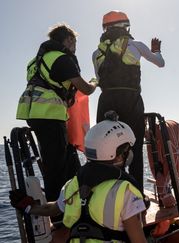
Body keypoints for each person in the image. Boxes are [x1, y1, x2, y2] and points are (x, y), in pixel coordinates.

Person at [9, 112, 148, 243]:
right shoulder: (125, 191)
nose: (129, 154)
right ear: (117, 154)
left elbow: (52, 209)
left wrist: (28, 207)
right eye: (127, 150)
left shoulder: (73, 184)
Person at [16, 23, 97, 224]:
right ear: (68, 40)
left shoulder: (35, 61)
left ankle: (71, 204)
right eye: (75, 42)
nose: (75, 46)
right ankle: (58, 217)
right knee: (56, 167)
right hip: (50, 116)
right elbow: (85, 89)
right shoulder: (62, 59)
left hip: (35, 113)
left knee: (64, 159)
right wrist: (96, 82)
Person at [92, 11, 165, 191]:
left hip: (106, 101)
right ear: (125, 26)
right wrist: (156, 50)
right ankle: (135, 194)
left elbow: (98, 78)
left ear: (105, 28)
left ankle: (107, 192)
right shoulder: (135, 45)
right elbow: (160, 63)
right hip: (131, 100)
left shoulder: (96, 53)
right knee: (135, 147)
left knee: (105, 149)